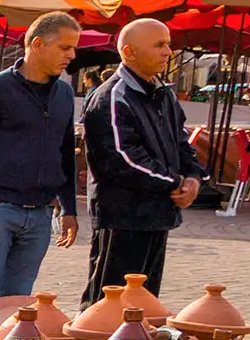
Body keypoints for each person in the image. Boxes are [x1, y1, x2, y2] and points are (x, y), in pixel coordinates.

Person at [0, 11, 81, 297]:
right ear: (37, 45)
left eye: (73, 47)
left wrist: (69, 208)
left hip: (40, 215)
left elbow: (64, 153)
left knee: (17, 300)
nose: (71, 55)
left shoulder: (64, 94)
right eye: (64, 47)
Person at [81, 19, 204, 298]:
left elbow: (181, 143)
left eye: (168, 44)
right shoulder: (112, 97)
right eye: (159, 45)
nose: (168, 52)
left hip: (158, 213)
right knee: (108, 303)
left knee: (143, 302)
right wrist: (175, 182)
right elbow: (122, 160)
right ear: (129, 52)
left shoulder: (163, 94)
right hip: (123, 216)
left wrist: (194, 179)